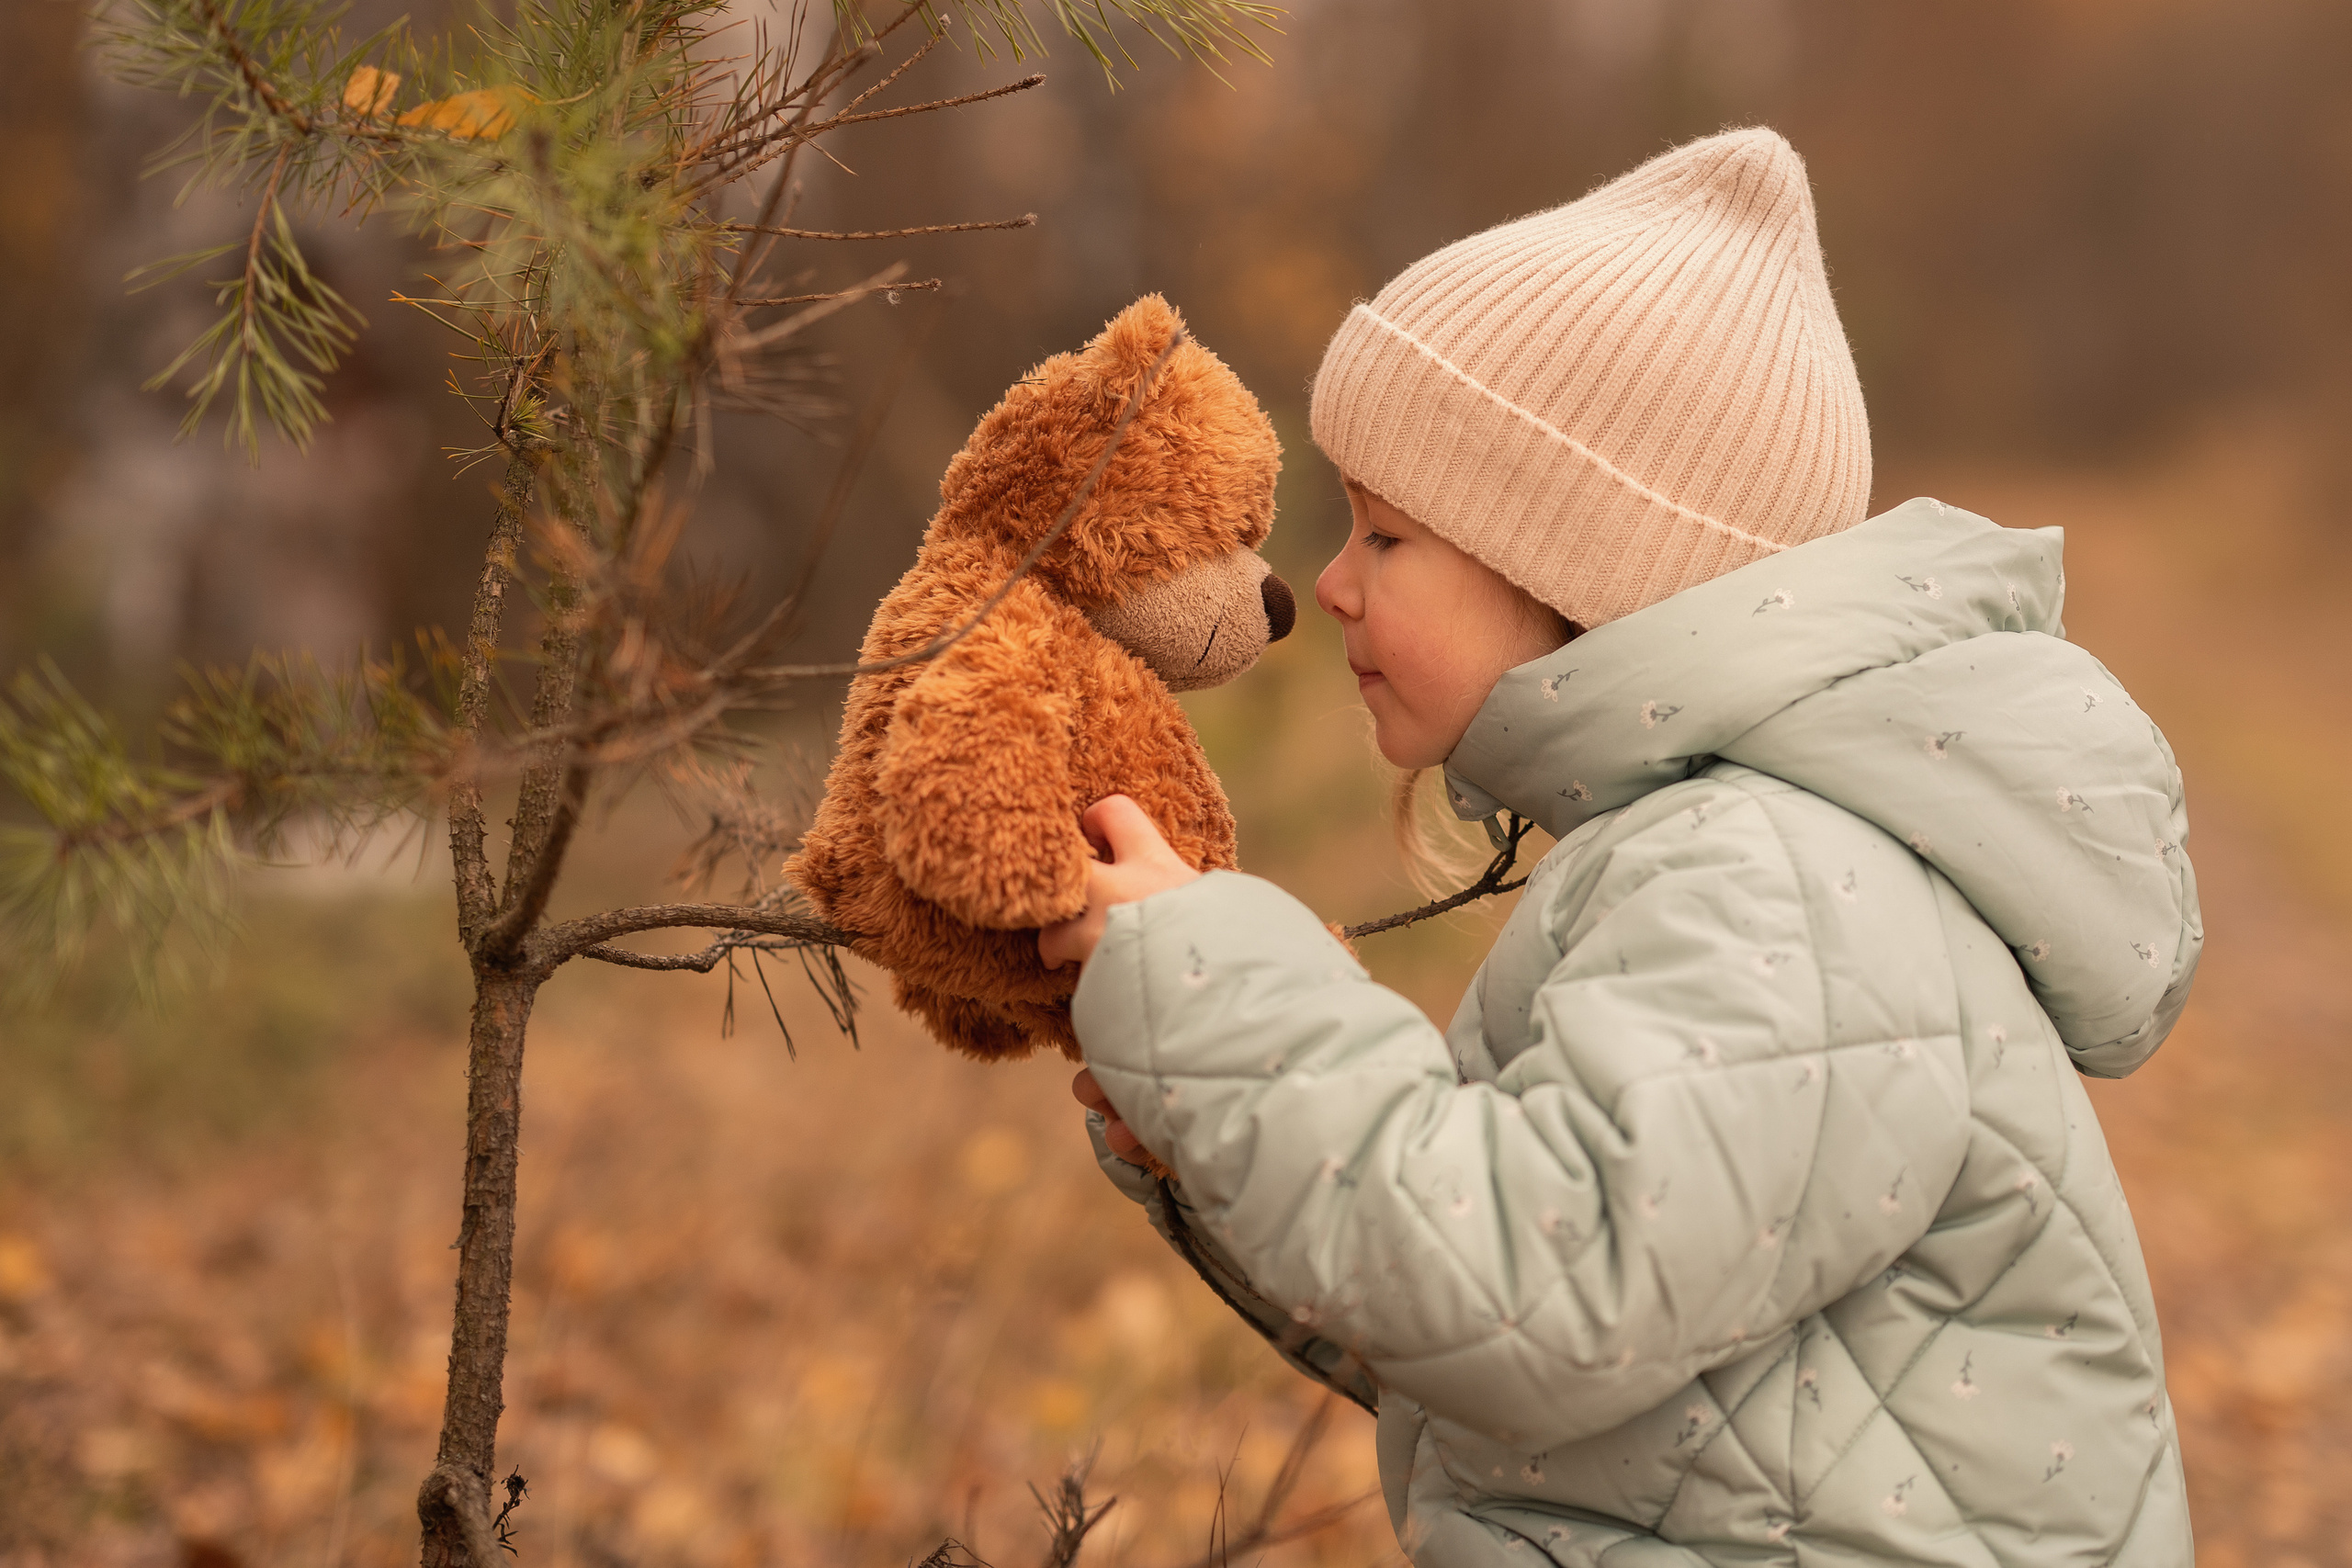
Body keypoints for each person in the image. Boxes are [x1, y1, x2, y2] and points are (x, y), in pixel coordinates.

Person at [1041, 128, 2199, 1567]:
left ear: (1582, 569)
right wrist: (1217, 1138)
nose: (1329, 585)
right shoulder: (1723, 851)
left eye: (1387, 537)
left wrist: (1217, 993)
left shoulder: (1775, 878)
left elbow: (1536, 1290)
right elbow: (1485, 1359)